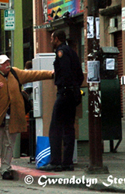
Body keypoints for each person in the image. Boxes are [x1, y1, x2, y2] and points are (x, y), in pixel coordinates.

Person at [0, 54, 53, 180]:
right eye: (4, 64)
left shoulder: (15, 73)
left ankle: (6, 169)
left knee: (9, 144)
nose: (7, 65)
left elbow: (33, 75)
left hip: (12, 116)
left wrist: (50, 74)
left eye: (8, 62)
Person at [39, 30, 84, 172]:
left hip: (64, 93)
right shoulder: (72, 51)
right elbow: (79, 75)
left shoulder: (61, 52)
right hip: (72, 94)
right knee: (69, 128)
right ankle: (67, 162)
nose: (51, 41)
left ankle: (56, 162)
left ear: (57, 39)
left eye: (52, 38)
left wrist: (64, 86)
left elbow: (65, 72)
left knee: (55, 128)